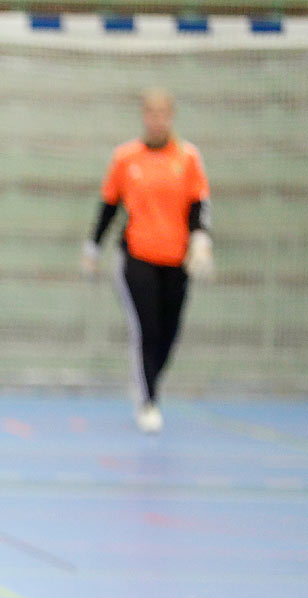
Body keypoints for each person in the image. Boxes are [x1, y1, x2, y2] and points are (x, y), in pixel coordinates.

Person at [81, 87, 213, 434]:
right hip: (137, 258)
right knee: (147, 329)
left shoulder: (187, 158)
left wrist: (200, 242)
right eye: (151, 113)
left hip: (175, 259)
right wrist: (93, 248)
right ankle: (148, 400)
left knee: (169, 333)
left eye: (163, 113)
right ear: (144, 116)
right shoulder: (126, 158)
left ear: (171, 117)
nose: (157, 120)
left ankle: (147, 382)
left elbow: (199, 206)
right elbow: (109, 206)